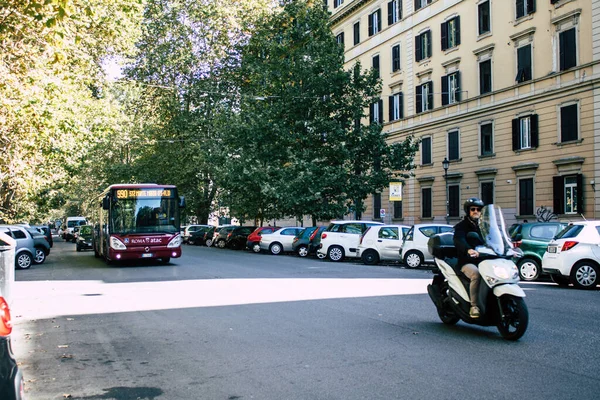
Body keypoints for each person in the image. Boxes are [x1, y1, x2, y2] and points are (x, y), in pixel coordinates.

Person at [453, 197, 485, 318]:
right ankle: (474, 306)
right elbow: (459, 240)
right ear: (468, 211)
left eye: (478, 209)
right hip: (467, 261)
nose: (476, 211)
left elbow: (493, 238)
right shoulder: (462, 226)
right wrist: (468, 249)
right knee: (476, 274)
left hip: (484, 260)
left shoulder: (485, 226)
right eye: (473, 209)